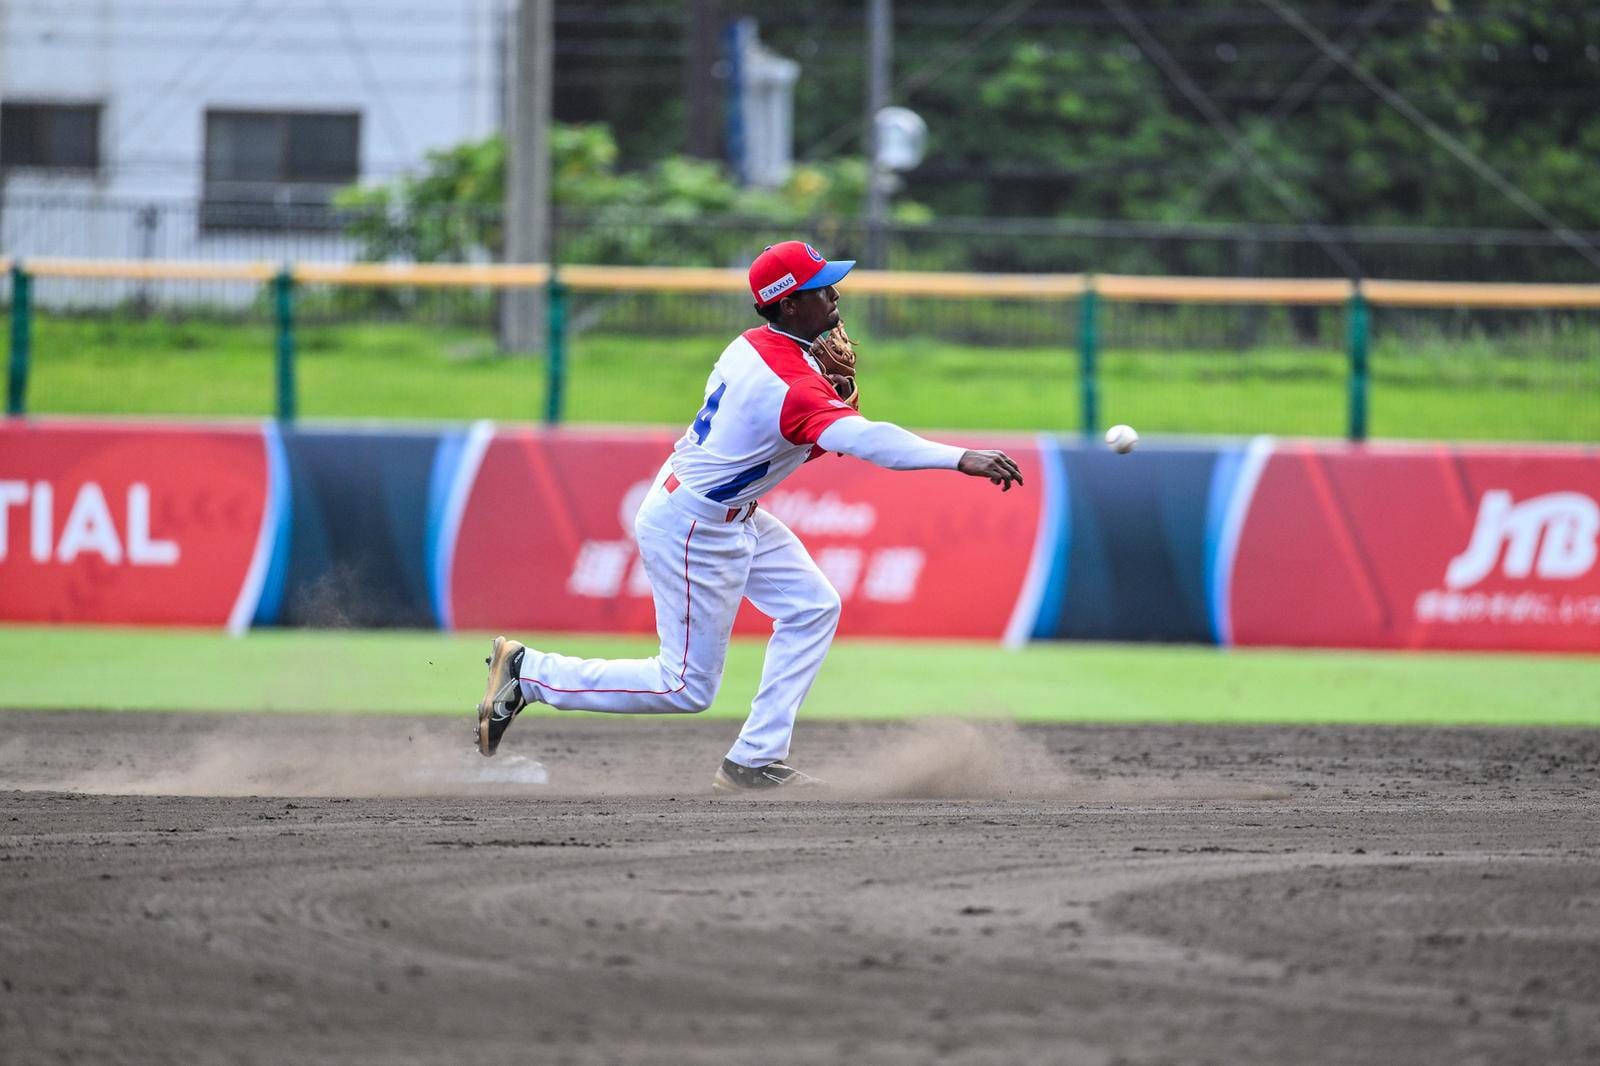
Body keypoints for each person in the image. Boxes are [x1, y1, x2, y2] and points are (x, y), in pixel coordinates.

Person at [475, 241, 1023, 793]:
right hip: (695, 524)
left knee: (812, 607)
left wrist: (823, 390)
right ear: (788, 305)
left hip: (721, 510)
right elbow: (866, 440)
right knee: (684, 687)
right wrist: (960, 457)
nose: (834, 296)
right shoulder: (791, 386)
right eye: (820, 289)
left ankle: (754, 760)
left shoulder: (757, 345)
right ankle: (530, 674)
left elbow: (795, 426)